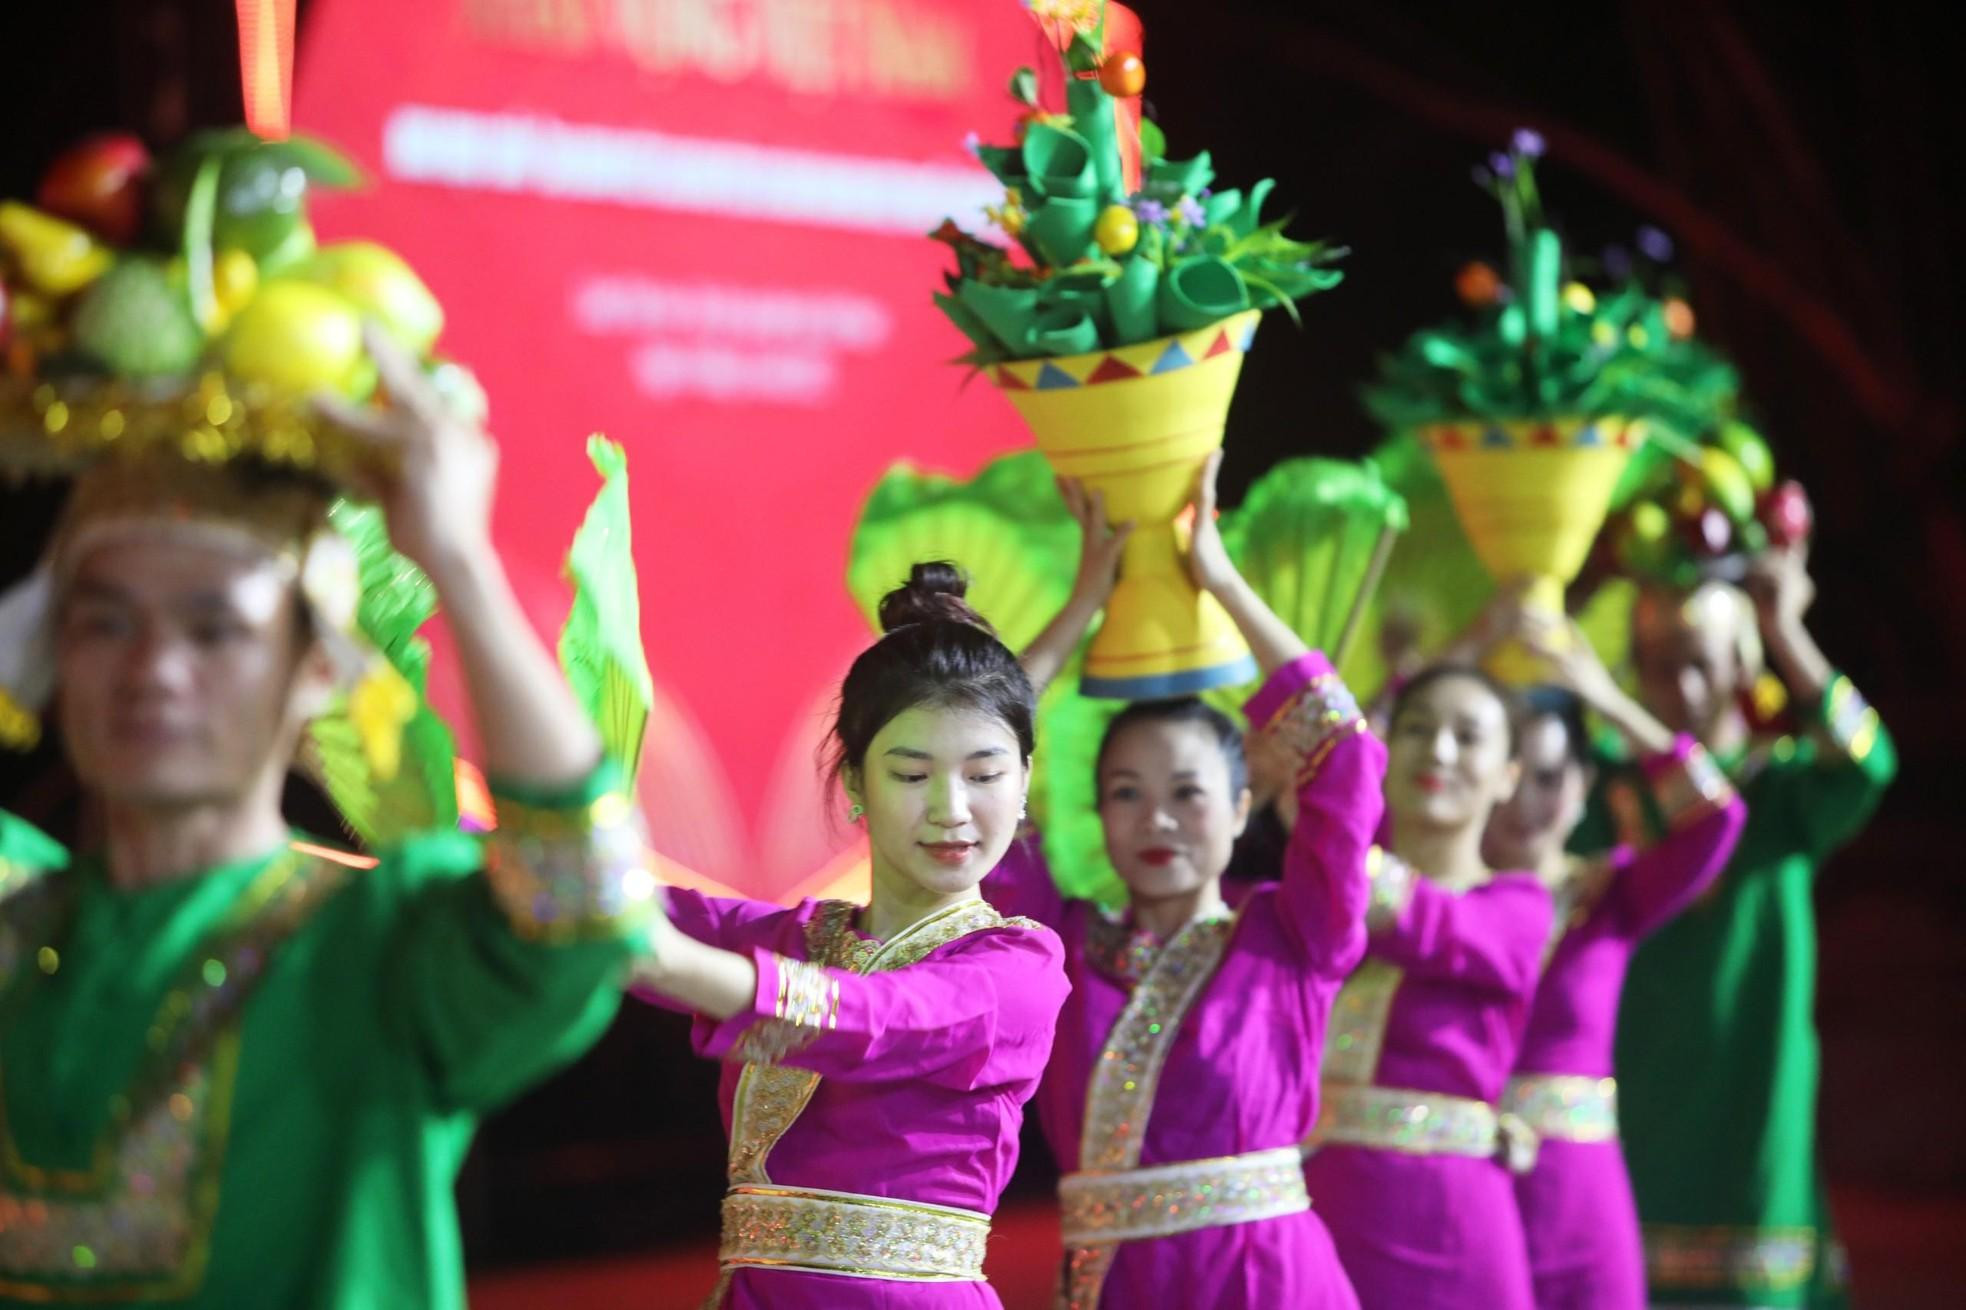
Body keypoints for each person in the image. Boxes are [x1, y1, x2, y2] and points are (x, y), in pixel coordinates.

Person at [0, 328, 656, 1307]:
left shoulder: (379, 942)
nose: (154, 669)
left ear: (314, 668)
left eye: (214, 629)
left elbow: (588, 902)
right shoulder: (19, 924)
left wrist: (456, 558)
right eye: (106, 622)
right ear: (51, 650)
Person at [983, 455, 1383, 1309]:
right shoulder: (1058, 945)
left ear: (1241, 808)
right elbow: (976, 762)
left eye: (1187, 794)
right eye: (1128, 794)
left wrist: (1223, 582)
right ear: (1096, 811)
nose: (1157, 819)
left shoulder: (1292, 934)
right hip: (1116, 1286)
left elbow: (1346, 758)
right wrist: (1085, 603)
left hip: (1266, 1283)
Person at [627, 562, 1069, 1309]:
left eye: (984, 775)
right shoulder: (796, 938)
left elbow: (880, 1017)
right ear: (858, 782)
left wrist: (672, 961)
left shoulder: (1016, 968)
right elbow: (614, 908)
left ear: (1024, 779)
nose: (952, 809)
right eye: (912, 776)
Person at [1592, 551, 1896, 1308]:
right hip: (1637, 1070)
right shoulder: (1615, 791)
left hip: (1751, 1072)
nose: (1685, 688)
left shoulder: (1778, 787)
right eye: (1661, 667)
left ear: (1740, 665)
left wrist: (1784, 629)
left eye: (1701, 663)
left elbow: (1868, 764)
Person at [1477, 606, 1746, 1310]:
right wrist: (1464, 653)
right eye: (1509, 774)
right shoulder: (1433, 902)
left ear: (1584, 786)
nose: (1524, 801)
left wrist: (1605, 699)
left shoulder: (1607, 894)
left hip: (1579, 1200)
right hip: (1467, 1190)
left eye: (1549, 777)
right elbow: (1356, 774)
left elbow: (1718, 819)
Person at [1302, 659, 1551, 1310]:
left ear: (1508, 775)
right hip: (1317, 1206)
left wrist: (1331, 822)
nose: (1438, 751)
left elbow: (1431, 926)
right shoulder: (1317, 891)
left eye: (1467, 737)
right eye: (1416, 728)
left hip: (1451, 1222)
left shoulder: (1517, 908)